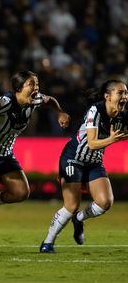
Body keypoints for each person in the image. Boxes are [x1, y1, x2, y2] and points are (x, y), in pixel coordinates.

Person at [0, 70, 70, 253]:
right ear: (18, 88)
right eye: (31, 85)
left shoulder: (35, 99)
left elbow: (50, 100)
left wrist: (59, 113)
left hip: (5, 154)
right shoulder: (5, 102)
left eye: (37, 84)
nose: (36, 88)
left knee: (21, 192)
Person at [40, 80, 128, 253]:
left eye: (126, 93)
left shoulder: (122, 116)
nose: (124, 96)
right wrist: (112, 139)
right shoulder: (96, 110)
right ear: (107, 96)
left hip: (94, 162)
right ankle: (48, 243)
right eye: (121, 93)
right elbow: (93, 142)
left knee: (105, 202)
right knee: (71, 205)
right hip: (74, 158)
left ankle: (79, 219)